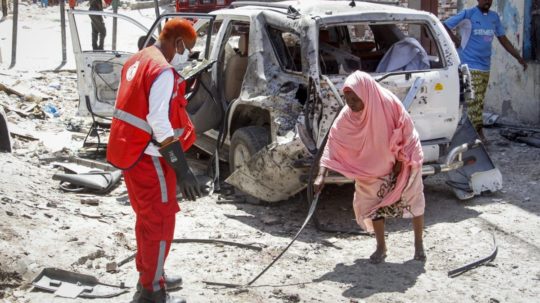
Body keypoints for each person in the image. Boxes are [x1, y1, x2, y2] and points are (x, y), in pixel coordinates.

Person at [107, 18, 202, 303]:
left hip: (132, 154)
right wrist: (183, 170)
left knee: (147, 221)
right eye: (189, 50)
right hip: (152, 159)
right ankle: (152, 292)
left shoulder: (138, 59)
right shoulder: (162, 71)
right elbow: (159, 122)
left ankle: (152, 274)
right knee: (160, 224)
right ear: (179, 43)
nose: (187, 56)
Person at [313, 71, 426, 264]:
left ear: (366, 94)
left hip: (404, 158)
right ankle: (381, 247)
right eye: (348, 100)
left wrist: (399, 162)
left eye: (355, 100)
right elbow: (332, 143)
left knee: (412, 199)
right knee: (371, 204)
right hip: (371, 167)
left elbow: (406, 131)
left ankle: (418, 245)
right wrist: (321, 175)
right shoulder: (348, 115)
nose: (351, 104)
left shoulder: (388, 104)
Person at [443, 0, 527, 142]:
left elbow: (503, 39)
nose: (487, 1)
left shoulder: (494, 17)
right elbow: (444, 25)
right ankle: (477, 136)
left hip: (485, 66)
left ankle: (471, 134)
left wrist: (518, 57)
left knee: (479, 102)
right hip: (469, 65)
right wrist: (456, 41)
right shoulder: (468, 14)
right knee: (474, 101)